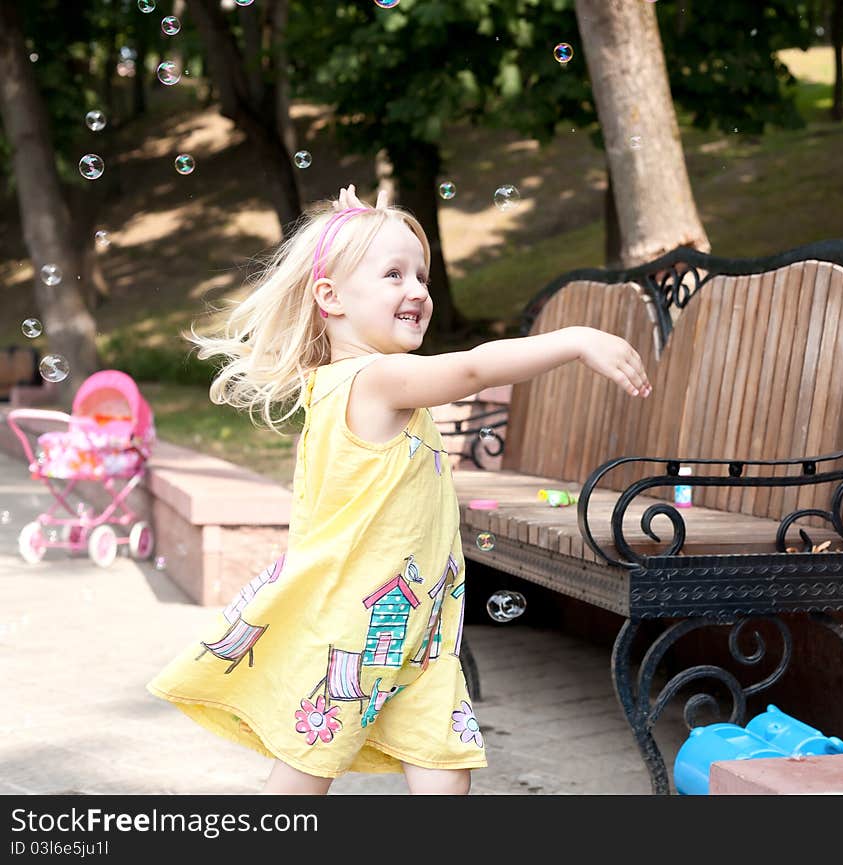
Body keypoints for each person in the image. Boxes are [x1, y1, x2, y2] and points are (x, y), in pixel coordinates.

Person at [146, 184, 652, 796]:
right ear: (329, 298)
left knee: (440, 758)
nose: (416, 290)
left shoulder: (344, 381)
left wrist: (358, 228)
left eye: (421, 275)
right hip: (359, 623)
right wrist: (574, 340)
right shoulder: (376, 380)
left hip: (422, 619)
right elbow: (470, 368)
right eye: (392, 275)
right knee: (312, 761)